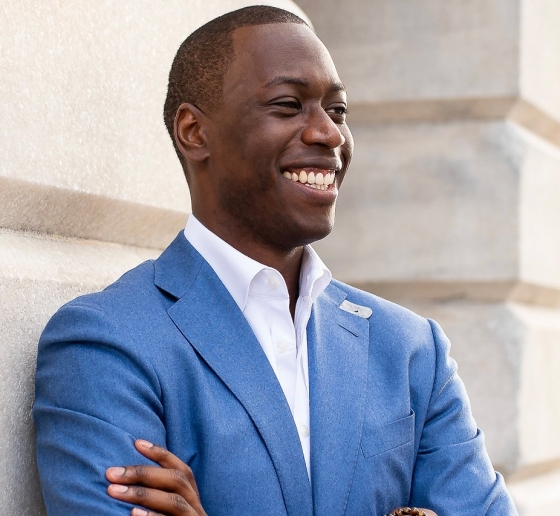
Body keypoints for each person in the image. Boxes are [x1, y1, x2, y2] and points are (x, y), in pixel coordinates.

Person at [33, 5, 518, 516]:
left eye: (338, 110)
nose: (329, 133)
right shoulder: (107, 343)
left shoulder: (413, 350)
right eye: (289, 105)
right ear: (194, 132)